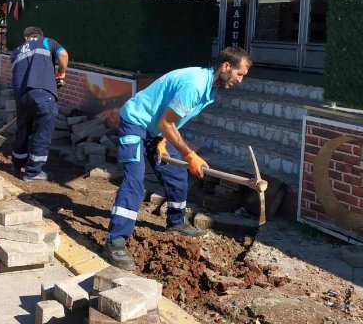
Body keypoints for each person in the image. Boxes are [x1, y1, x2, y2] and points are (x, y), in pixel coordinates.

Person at [102, 46, 252, 271]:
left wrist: (161, 139)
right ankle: (115, 242)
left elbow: (169, 120)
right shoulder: (194, 85)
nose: (240, 80)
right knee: (135, 180)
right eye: (239, 74)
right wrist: (189, 154)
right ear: (226, 66)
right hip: (136, 122)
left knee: (175, 173)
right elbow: (167, 122)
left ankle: (176, 222)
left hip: (156, 129)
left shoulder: (208, 88)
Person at [11, 26, 69, 181]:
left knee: (22, 130)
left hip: (21, 96)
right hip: (43, 94)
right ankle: (33, 172)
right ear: (39, 35)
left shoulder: (16, 52)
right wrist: (61, 74)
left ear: (25, 38)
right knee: (42, 131)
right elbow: (63, 55)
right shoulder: (47, 42)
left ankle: (17, 164)